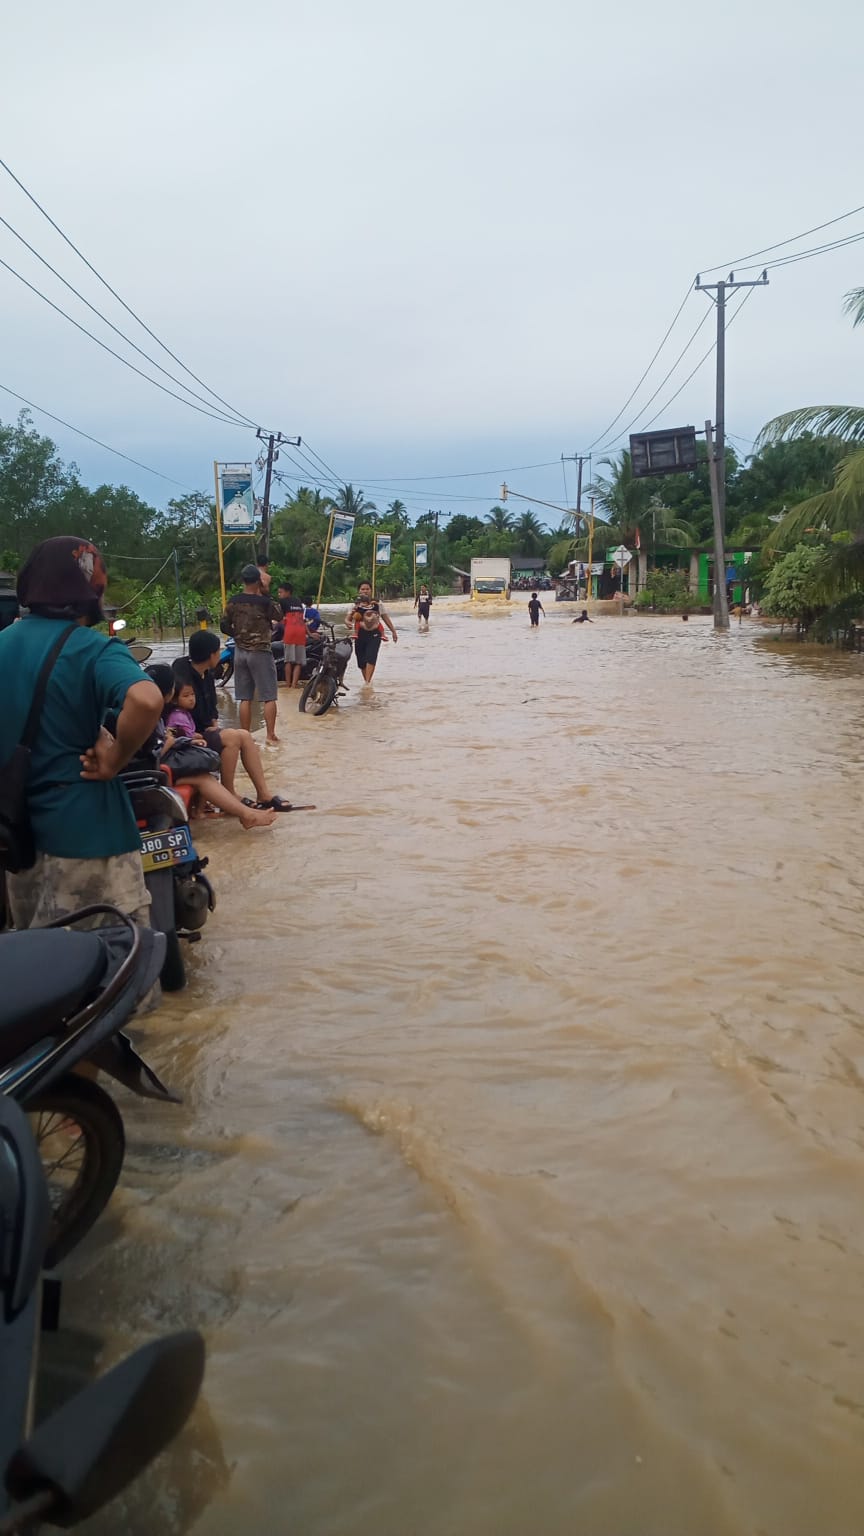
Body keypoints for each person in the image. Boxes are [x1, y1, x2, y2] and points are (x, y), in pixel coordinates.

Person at [0, 536, 164, 929]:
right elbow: (146, 700)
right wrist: (114, 758)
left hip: (18, 846)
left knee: (44, 980)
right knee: (119, 976)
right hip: (90, 839)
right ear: (92, 589)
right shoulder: (94, 648)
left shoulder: (3, 644)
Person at [173, 632, 294, 812]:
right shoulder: (183, 672)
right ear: (210, 655)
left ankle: (263, 793)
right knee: (232, 738)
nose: (220, 654)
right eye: (217, 651)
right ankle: (228, 793)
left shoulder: (207, 674)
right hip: (190, 735)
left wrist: (214, 725)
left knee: (244, 735)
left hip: (206, 730)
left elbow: (212, 707)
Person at [142, 668, 275, 830]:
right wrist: (170, 742)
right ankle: (247, 815)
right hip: (152, 773)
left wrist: (184, 741)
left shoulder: (150, 712)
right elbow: (154, 753)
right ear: (170, 693)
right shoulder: (150, 717)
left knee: (205, 771)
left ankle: (246, 811)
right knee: (203, 778)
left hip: (156, 769)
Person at [221, 564, 282, 744]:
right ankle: (270, 735)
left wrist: (238, 636)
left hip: (239, 652)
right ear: (258, 581)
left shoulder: (233, 601)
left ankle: (245, 735)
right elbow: (278, 615)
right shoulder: (264, 602)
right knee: (269, 696)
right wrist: (265, 591)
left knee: (244, 697)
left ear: (243, 581)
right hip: (261, 651)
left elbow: (224, 625)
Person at [346, 580, 398, 683]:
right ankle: (367, 681)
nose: (365, 591)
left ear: (371, 590)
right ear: (359, 591)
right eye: (362, 589)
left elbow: (385, 617)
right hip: (359, 634)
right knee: (361, 661)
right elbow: (348, 618)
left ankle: (367, 683)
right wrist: (347, 622)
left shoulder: (378, 604)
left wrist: (393, 631)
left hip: (374, 634)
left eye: (367, 589)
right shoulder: (354, 605)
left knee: (371, 657)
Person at [277, 582, 307, 690]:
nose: (279, 595)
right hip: (301, 632)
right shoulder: (298, 601)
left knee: (288, 660)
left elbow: (279, 617)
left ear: (287, 592)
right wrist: (310, 633)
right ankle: (294, 685)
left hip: (290, 632)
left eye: (281, 592)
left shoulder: (282, 602)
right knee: (298, 662)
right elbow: (302, 620)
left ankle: (288, 684)